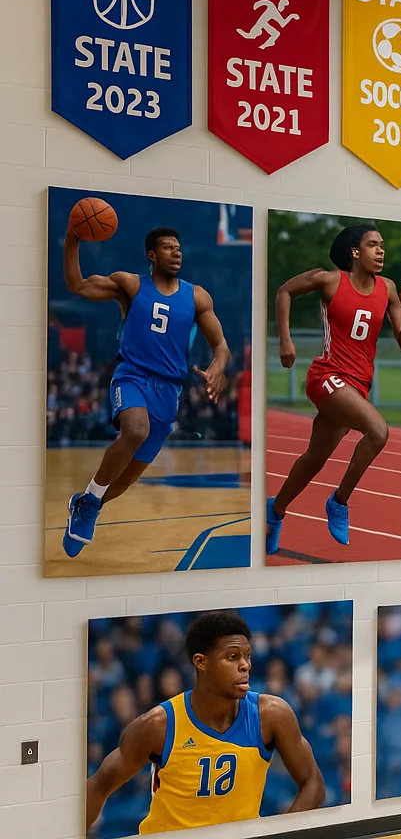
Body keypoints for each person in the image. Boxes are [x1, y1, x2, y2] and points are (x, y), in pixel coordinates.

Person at [62, 225, 231, 558]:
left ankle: (86, 502)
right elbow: (78, 284)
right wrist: (72, 241)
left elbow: (221, 344)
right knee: (135, 430)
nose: (177, 252)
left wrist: (218, 366)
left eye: (179, 247)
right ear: (152, 256)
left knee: (124, 481)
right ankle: (90, 502)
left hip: (168, 390)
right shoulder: (131, 285)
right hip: (133, 375)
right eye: (169, 247)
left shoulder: (197, 296)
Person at [86, 611, 324, 834]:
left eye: (247, 656)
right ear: (201, 662)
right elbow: (98, 787)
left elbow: (313, 782)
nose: (246, 665)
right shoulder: (157, 725)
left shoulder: (271, 715)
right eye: (233, 657)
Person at [266, 224, 401, 553]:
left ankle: (276, 510)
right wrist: (286, 340)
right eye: (373, 245)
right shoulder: (330, 280)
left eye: (382, 246)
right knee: (378, 431)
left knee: (313, 460)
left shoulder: (389, 288)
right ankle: (339, 502)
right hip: (327, 376)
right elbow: (284, 291)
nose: (381, 251)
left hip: (357, 387)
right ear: (355, 252)